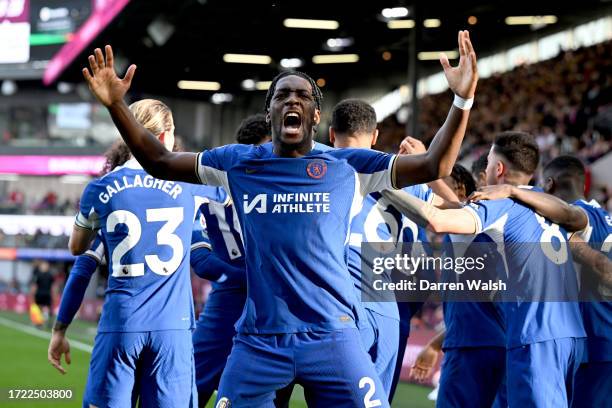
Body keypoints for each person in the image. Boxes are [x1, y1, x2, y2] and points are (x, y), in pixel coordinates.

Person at [81, 30, 477, 407]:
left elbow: (433, 163)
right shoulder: (237, 163)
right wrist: (117, 104)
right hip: (259, 341)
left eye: (302, 96)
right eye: (282, 94)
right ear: (269, 108)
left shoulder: (346, 165)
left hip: (334, 336)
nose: (292, 100)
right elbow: (161, 160)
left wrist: (462, 102)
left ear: (315, 114)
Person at [383, 131, 587, 407]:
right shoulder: (545, 203)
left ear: (498, 169)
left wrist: (381, 178)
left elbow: (438, 219)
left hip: (533, 334)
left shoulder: (503, 205)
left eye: (489, 162)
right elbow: (577, 218)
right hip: (571, 335)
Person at [53, 99, 225, 407]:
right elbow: (233, 198)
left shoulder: (100, 188)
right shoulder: (190, 183)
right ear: (163, 137)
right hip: (173, 328)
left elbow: (77, 249)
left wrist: (60, 329)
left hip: (121, 324)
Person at [30, 261, 55, 328]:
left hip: (44, 294)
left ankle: (43, 321)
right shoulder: (41, 275)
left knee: (43, 308)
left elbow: (53, 286)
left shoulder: (46, 275)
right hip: (42, 294)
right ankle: (42, 320)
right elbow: (35, 286)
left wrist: (32, 293)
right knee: (42, 308)